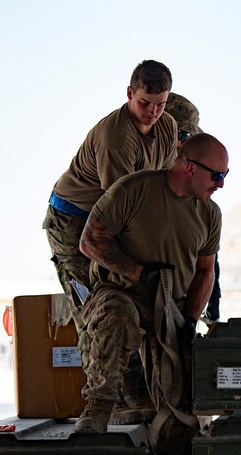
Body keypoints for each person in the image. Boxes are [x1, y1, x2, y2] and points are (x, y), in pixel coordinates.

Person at [74, 133, 226, 434]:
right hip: (120, 292)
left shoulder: (209, 213)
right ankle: (99, 408)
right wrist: (139, 272)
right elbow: (89, 241)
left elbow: (205, 272)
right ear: (190, 167)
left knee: (177, 404)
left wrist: (190, 321)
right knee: (118, 316)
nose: (221, 184)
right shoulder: (134, 190)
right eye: (217, 175)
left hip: (170, 305)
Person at [43, 59, 178, 371]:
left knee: (133, 299)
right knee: (97, 307)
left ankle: (135, 388)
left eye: (161, 104)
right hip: (73, 222)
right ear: (130, 93)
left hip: (115, 217)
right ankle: (102, 397)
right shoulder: (116, 138)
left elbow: (163, 187)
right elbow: (119, 208)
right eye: (145, 103)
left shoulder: (167, 126)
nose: (153, 112)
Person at [164, 92, 222, 320]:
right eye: (181, 135)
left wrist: (212, 302)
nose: (183, 143)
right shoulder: (140, 165)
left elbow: (207, 247)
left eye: (188, 137)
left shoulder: (193, 168)